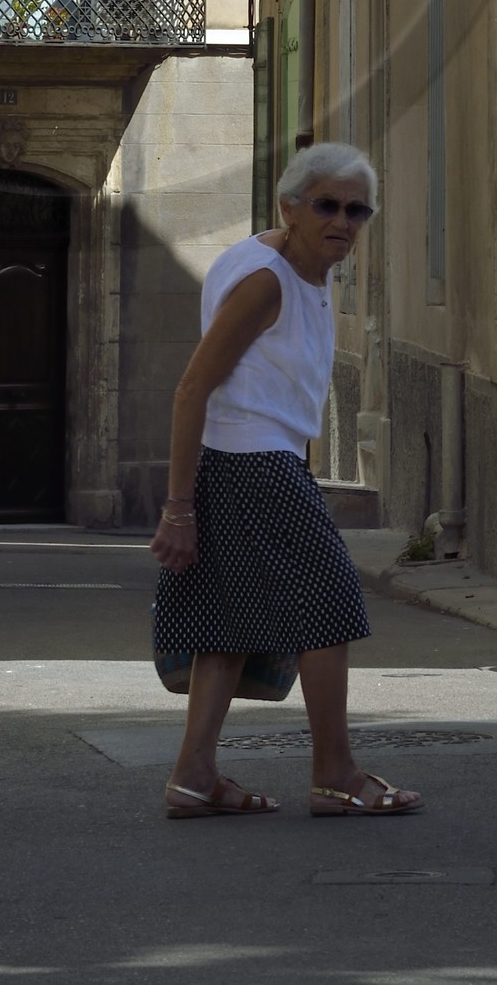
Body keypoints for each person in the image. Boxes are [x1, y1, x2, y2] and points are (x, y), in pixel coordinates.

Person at [150, 143, 423, 820]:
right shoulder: (266, 279)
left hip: (247, 458)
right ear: (289, 206)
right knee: (330, 604)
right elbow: (191, 389)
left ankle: (194, 774)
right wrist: (177, 507)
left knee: (224, 618)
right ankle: (335, 773)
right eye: (327, 204)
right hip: (253, 460)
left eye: (357, 209)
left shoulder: (303, 268)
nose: (343, 221)